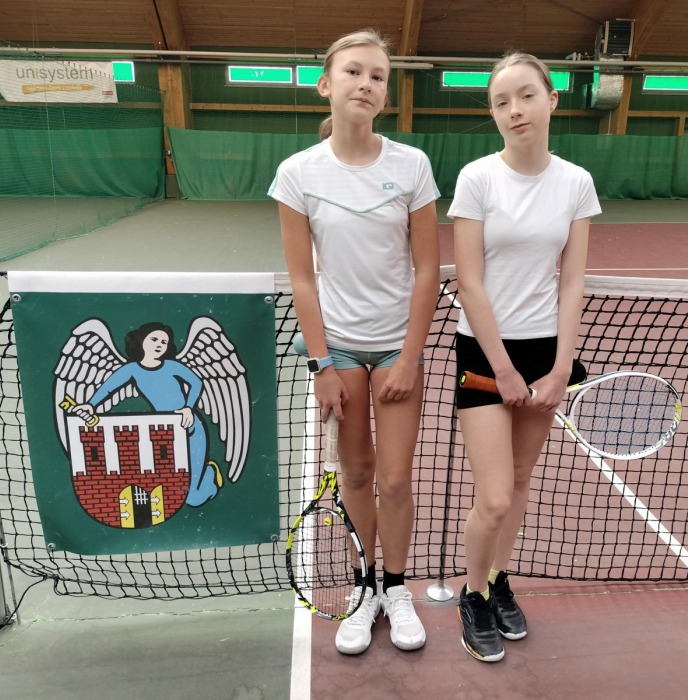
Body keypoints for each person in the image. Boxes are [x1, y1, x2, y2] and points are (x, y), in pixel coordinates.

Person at [268, 29, 440, 655]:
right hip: (337, 348)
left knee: (394, 479)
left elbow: (428, 269)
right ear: (326, 84)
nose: (365, 84)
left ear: (385, 94)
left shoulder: (411, 166)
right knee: (358, 472)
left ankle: (397, 587)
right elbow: (302, 278)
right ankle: (366, 587)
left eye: (377, 76)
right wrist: (320, 364)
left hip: (397, 347)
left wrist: (410, 356)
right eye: (353, 72)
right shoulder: (297, 174)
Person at [449, 51, 601, 662]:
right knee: (493, 496)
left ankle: (498, 580)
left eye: (526, 95)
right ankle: (471, 595)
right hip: (484, 351)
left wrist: (562, 368)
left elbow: (572, 282)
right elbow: (469, 283)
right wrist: (505, 370)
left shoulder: (576, 183)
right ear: (493, 114)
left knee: (518, 484)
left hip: (545, 352)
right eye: (501, 102)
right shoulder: (477, 179)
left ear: (551, 99)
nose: (515, 110)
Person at [72, 322, 223, 507]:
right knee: (172, 491)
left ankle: (209, 474)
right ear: (141, 340)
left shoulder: (171, 366)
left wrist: (188, 408)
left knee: (192, 499)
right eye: (154, 339)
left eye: (164, 342)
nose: (159, 344)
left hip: (189, 427)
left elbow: (196, 383)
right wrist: (90, 405)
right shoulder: (132, 370)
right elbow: (109, 388)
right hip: (165, 432)